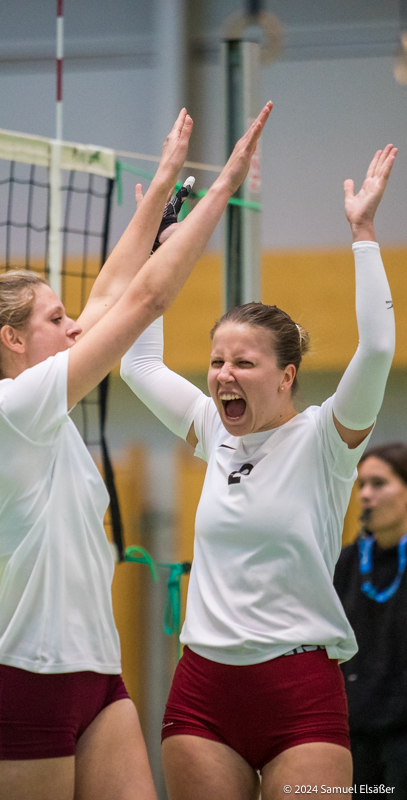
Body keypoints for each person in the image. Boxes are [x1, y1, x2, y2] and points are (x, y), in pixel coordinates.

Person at [0, 102, 272, 800]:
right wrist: (223, 189)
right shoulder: (9, 409)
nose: (75, 325)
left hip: (98, 677)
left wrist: (162, 183)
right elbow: (144, 302)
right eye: (57, 318)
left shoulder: (37, 406)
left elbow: (114, 293)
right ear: (13, 340)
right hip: (26, 682)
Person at [120, 144, 397, 799]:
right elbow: (137, 364)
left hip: (300, 692)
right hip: (202, 691)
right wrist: (158, 248)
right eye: (217, 362)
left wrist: (362, 233)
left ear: (286, 375)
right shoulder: (212, 429)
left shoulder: (326, 438)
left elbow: (378, 347)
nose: (223, 375)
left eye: (243, 363)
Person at [334, 443, 407, 798]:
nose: (365, 495)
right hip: (355, 734)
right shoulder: (347, 563)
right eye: (361, 484)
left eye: (379, 484)